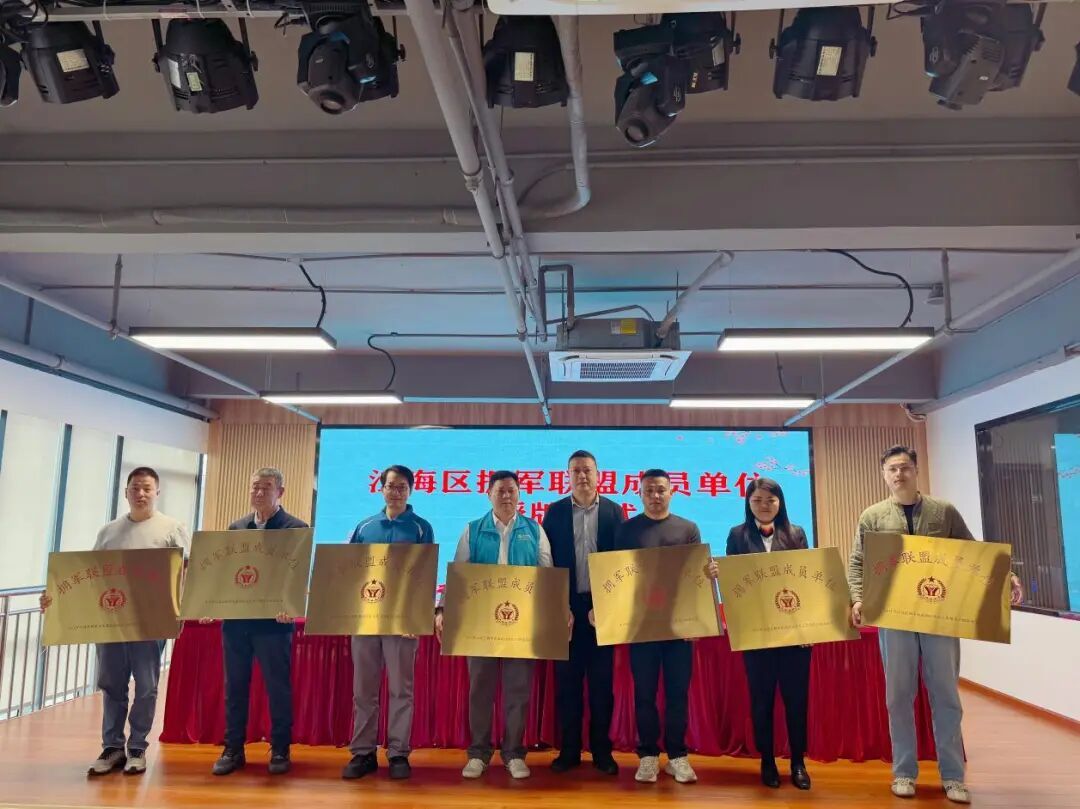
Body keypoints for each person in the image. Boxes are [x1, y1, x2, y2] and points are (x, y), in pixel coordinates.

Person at [848, 445, 1023, 805]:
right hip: (892, 616)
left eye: (905, 467)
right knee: (898, 696)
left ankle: (953, 776)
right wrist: (857, 598)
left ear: (916, 471)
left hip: (939, 614)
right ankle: (903, 772)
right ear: (884, 475)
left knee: (945, 695)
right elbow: (857, 562)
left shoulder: (944, 512)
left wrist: (1007, 575)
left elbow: (973, 553)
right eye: (892, 469)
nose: (899, 474)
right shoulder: (872, 516)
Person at [41, 466, 190, 776]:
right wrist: (55, 599)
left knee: (146, 686)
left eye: (147, 488)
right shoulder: (108, 532)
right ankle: (112, 747)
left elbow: (185, 573)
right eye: (135, 488)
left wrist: (182, 610)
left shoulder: (172, 529)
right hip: (110, 621)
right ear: (126, 492)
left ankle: (137, 747)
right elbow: (90, 576)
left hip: (150, 622)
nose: (140, 494)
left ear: (157, 492)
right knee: (111, 684)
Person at [436, 470, 555, 781]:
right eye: (500, 490)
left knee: (518, 690)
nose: (506, 496)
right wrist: (442, 609)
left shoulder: (534, 530)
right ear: (488, 494)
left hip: (521, 624)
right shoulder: (473, 530)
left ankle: (514, 753)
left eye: (512, 490)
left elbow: (547, 574)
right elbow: (457, 573)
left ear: (519, 495)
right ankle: (478, 753)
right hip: (479, 623)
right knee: (480, 690)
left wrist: (558, 611)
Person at [614, 468, 718, 785]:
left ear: (672, 492)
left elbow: (695, 579)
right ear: (640, 494)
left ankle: (677, 756)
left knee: (677, 693)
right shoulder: (627, 530)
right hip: (641, 626)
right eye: (649, 491)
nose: (655, 496)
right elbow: (616, 578)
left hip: (679, 628)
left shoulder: (688, 529)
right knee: (644, 693)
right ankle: (647, 756)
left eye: (661, 490)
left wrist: (709, 573)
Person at [211, 467, 309, 777]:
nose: (259, 492)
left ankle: (280, 748)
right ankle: (233, 749)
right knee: (235, 686)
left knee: (277, 687)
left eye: (266, 487)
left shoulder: (295, 528)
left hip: (274, 623)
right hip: (237, 622)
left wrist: (290, 606)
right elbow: (226, 573)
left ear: (280, 492)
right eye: (255, 486)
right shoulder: (237, 528)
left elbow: (298, 576)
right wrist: (212, 602)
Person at [341, 464, 435, 782]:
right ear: (381, 489)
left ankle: (398, 753)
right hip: (366, 620)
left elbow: (426, 576)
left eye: (402, 487)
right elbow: (348, 572)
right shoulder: (364, 527)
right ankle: (363, 752)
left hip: (402, 623)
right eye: (391, 486)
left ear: (411, 491)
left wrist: (417, 617)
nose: (396, 492)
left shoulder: (421, 528)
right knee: (363, 689)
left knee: (401, 690)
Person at [725, 477, 812, 791]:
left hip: (794, 634)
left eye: (770, 500)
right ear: (748, 503)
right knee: (761, 702)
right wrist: (719, 574)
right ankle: (767, 761)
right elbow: (734, 585)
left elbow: (807, 582)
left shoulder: (796, 533)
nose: (764, 505)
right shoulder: (737, 535)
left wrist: (809, 627)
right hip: (756, 632)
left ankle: (798, 762)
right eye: (757, 500)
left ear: (780, 503)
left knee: (796, 701)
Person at [543, 450, 624, 776]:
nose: (582, 476)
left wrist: (605, 605)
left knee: (603, 686)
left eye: (587, 470)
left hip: (603, 609)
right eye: (575, 471)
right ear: (568, 476)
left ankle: (602, 751)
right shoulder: (555, 512)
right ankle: (569, 750)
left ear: (598, 474)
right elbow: (548, 563)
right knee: (568, 686)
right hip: (566, 610)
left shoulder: (615, 511)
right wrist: (559, 605)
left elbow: (620, 562)